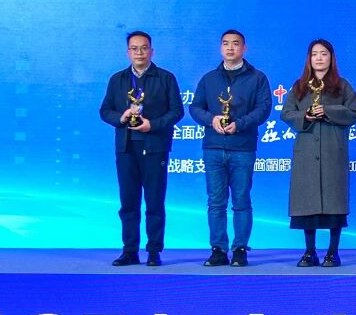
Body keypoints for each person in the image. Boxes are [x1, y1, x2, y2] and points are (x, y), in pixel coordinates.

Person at [99, 31, 183, 267]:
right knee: (128, 203)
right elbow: (105, 111)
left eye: (144, 48)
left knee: (154, 202)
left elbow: (177, 111)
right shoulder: (117, 79)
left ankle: (154, 251)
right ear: (128, 52)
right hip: (126, 148)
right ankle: (130, 251)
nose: (139, 52)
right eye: (134, 48)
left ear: (151, 51)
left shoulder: (165, 78)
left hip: (155, 147)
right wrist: (122, 116)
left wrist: (152, 125)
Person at [189, 30, 272, 267]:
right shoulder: (209, 79)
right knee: (216, 202)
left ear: (244, 48)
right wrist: (211, 119)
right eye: (226, 44)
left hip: (242, 148)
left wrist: (240, 124)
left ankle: (240, 249)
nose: (230, 48)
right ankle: (218, 249)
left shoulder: (257, 78)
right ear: (220, 48)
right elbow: (195, 108)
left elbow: (263, 109)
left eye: (235, 44)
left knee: (241, 201)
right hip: (213, 148)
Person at [280, 39, 356, 268]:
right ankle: (309, 252)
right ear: (309, 58)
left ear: (331, 58)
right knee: (307, 204)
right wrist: (305, 116)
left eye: (324, 53)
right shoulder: (299, 86)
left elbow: (354, 113)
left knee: (335, 204)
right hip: (306, 150)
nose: (319, 58)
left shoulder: (342, 86)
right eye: (314, 54)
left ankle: (333, 252)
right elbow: (286, 113)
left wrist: (327, 111)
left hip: (333, 151)